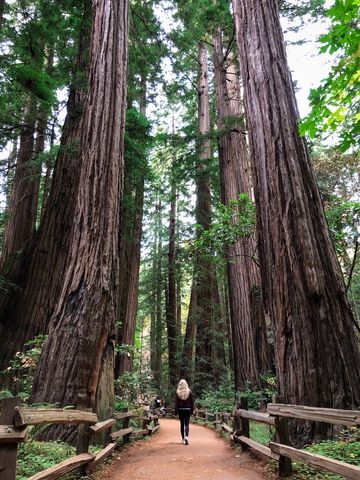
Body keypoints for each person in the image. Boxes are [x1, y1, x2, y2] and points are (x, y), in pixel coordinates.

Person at [174, 379, 194, 445]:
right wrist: (192, 410)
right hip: (188, 409)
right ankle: (186, 437)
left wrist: (175, 411)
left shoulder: (177, 392)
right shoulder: (189, 391)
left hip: (180, 409)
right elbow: (192, 402)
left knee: (182, 424)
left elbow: (176, 403)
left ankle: (183, 439)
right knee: (187, 424)